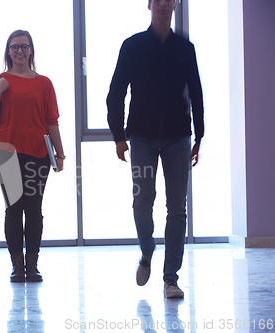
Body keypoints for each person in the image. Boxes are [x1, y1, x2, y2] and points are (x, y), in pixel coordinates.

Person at [106, 0, 204, 298]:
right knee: (142, 201)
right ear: (149, 5)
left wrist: (199, 136)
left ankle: (170, 278)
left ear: (174, 5)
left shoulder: (185, 49)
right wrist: (118, 136)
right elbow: (116, 93)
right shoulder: (133, 46)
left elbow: (196, 91)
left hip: (178, 138)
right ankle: (147, 251)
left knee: (177, 209)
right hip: (142, 138)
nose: (163, 4)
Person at [0, 30, 65, 282]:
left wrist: (59, 154)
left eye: (24, 46)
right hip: (7, 155)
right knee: (13, 209)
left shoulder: (44, 83)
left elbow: (52, 121)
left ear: (31, 51)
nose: (19, 51)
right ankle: (17, 265)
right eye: (14, 47)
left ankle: (32, 264)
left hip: (39, 154)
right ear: (8, 51)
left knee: (34, 209)